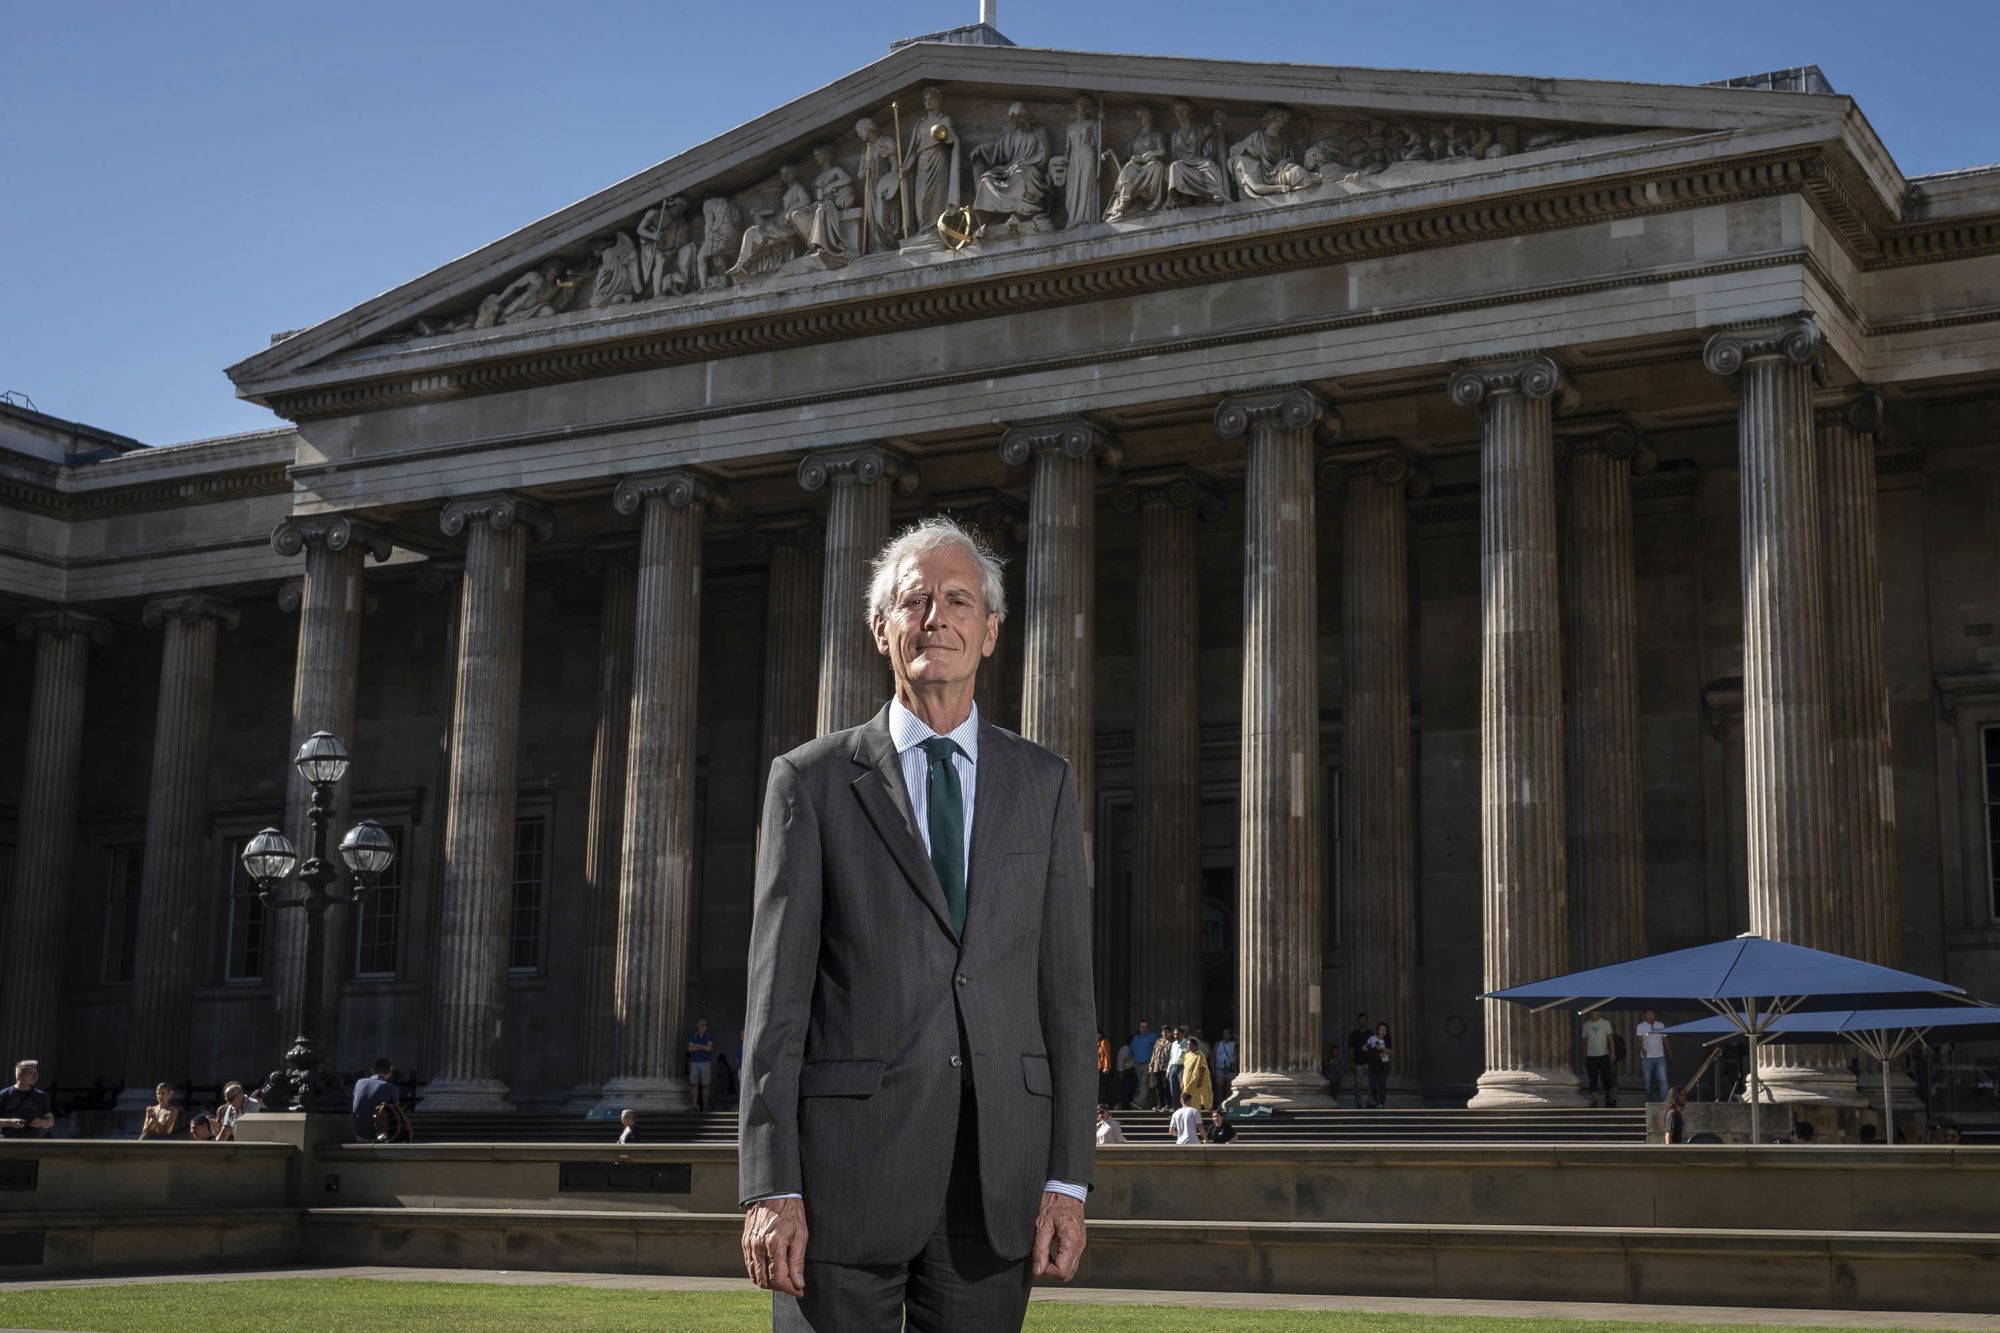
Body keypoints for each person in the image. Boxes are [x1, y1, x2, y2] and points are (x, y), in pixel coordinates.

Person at [739, 516, 1093, 1332]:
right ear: (881, 628)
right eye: (916, 599)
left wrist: (1068, 1181)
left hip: (992, 1191)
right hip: (837, 1192)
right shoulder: (811, 781)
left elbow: (1068, 1000)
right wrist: (770, 1184)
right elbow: (776, 1007)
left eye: (960, 599)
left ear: (992, 631)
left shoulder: (1044, 782)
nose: (938, 615)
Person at [351, 1058, 401, 1144]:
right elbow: (395, 1113)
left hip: (358, 1132)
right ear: (390, 1072)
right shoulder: (391, 1088)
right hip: (378, 1133)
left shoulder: (359, 1083)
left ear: (372, 1070)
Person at [0, 1060, 54, 1139]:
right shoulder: (4, 1094)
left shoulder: (40, 1096)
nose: (35, 1076)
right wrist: (10, 1123)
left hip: (32, 1144)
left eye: (36, 1074)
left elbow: (50, 1121)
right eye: (31, 1073)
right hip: (9, 1144)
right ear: (20, 1074)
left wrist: (40, 1123)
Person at [1636, 1011, 1672, 1103]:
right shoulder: (1641, 1026)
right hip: (1647, 1058)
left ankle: (1664, 1102)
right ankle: (1651, 1102)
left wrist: (1669, 1051)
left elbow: (1665, 1038)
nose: (1650, 1016)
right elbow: (1639, 1040)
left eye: (1652, 1014)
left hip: (1660, 1056)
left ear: (1654, 1015)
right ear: (1645, 1016)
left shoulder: (1661, 1025)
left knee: (1664, 1081)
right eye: (1648, 1015)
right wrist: (1642, 1049)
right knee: (1647, 1083)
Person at [1582, 1012, 1616, 1108]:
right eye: (1594, 1013)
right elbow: (1584, 1041)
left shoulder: (1605, 1023)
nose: (1596, 1014)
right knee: (1592, 1078)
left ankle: (1608, 1097)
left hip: (1603, 1055)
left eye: (1597, 1012)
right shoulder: (1586, 1025)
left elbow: (1610, 1038)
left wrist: (1612, 1052)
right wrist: (1584, 1055)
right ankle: (1595, 1099)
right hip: (1591, 1056)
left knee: (1606, 1078)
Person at [688, 1019, 716, 1112]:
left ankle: (705, 1106)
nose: (702, 1027)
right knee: (694, 1084)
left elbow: (709, 1048)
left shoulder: (709, 1036)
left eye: (704, 1026)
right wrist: (703, 1047)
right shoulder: (693, 1035)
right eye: (701, 1026)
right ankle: (694, 1105)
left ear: (706, 1027)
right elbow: (690, 1049)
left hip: (705, 1062)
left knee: (705, 1084)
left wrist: (698, 1046)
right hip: (695, 1062)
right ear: (698, 1026)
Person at [1147, 1023, 1175, 1112]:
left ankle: (1169, 1104)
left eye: (1166, 1032)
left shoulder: (1173, 1043)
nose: (1164, 1034)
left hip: (1166, 1067)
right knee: (1158, 1087)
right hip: (1157, 1066)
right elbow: (1154, 1054)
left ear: (1170, 1033)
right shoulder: (1158, 1041)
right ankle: (1161, 1104)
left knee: (1166, 1085)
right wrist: (1151, 1065)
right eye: (1163, 1033)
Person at [1346, 1014, 1372, 1109]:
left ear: (1367, 1021)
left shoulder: (1370, 1034)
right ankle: (1359, 1102)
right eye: (1361, 1020)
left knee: (1371, 1083)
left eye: (1364, 1020)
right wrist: (1351, 1061)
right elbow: (1351, 1048)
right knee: (1358, 1085)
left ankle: (1370, 1101)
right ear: (1358, 1021)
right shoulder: (1354, 1034)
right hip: (1358, 1062)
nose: (1362, 1021)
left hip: (1369, 1063)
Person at [1364, 1023, 1393, 1110]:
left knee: (1382, 1084)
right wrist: (1368, 1050)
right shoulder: (1372, 1038)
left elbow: (1390, 1052)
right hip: (1373, 1064)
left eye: (1384, 1030)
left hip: (1384, 1064)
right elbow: (1365, 1047)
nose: (1382, 1032)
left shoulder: (1387, 1039)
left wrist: (1382, 1048)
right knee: (1372, 1083)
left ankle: (1381, 1103)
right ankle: (1375, 1100)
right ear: (1378, 1030)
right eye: (1381, 1029)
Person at [1181, 1039, 1214, 1112]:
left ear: (1196, 1046)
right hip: (1186, 1079)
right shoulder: (1187, 1055)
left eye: (1191, 1045)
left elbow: (1202, 1067)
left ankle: (1195, 1115)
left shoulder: (1200, 1054)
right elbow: (1185, 1069)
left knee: (1194, 1099)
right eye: (1188, 1045)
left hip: (1195, 1080)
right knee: (1185, 1097)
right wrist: (1182, 1081)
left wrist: (1200, 1079)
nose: (1189, 1046)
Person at [1213, 1028, 1238, 1104]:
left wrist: (1234, 1035)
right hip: (1220, 1067)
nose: (1226, 1035)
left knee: (1229, 1087)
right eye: (1225, 1034)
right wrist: (1213, 1068)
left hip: (1230, 1067)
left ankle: (1228, 1103)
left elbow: (1242, 1041)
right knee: (1219, 1087)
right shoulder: (1218, 1044)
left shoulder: (1233, 1044)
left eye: (1228, 1034)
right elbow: (1213, 1056)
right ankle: (1220, 1103)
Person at [1114, 1039, 1136, 1109]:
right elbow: (1120, 1060)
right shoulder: (1124, 1049)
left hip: (1134, 1070)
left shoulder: (1135, 1048)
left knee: (1132, 1089)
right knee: (1126, 1089)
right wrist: (1121, 1070)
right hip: (1126, 1071)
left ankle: (1130, 1104)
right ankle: (1124, 1105)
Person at [1095, 1031, 1115, 1108]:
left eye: (1096, 1034)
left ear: (1100, 1034)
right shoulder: (1095, 1042)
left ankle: (1102, 1102)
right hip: (1096, 1067)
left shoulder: (1103, 1042)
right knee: (1098, 1086)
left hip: (1101, 1067)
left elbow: (1107, 1055)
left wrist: (1106, 1067)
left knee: (1101, 1086)